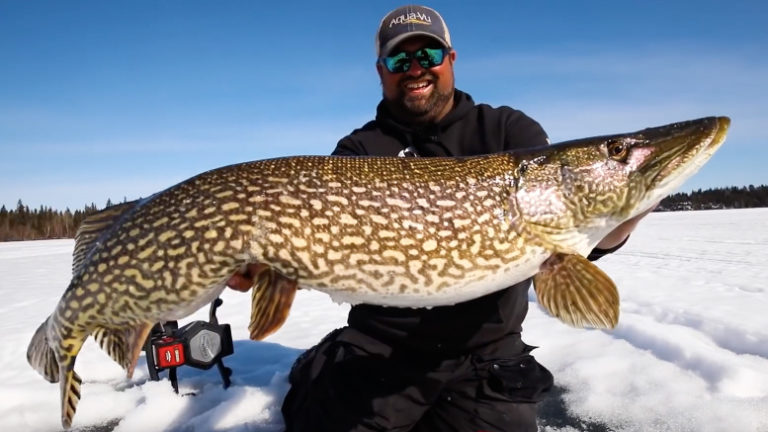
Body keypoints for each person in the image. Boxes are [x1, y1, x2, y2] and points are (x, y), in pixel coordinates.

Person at [229, 4, 650, 431]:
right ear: (381, 71)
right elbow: (313, 240)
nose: (415, 69)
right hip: (378, 348)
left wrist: (628, 212)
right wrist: (267, 264)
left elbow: (577, 240)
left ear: (450, 59)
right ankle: (322, 363)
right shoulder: (358, 152)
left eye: (427, 55)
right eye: (399, 60)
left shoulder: (507, 131)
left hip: (487, 355)